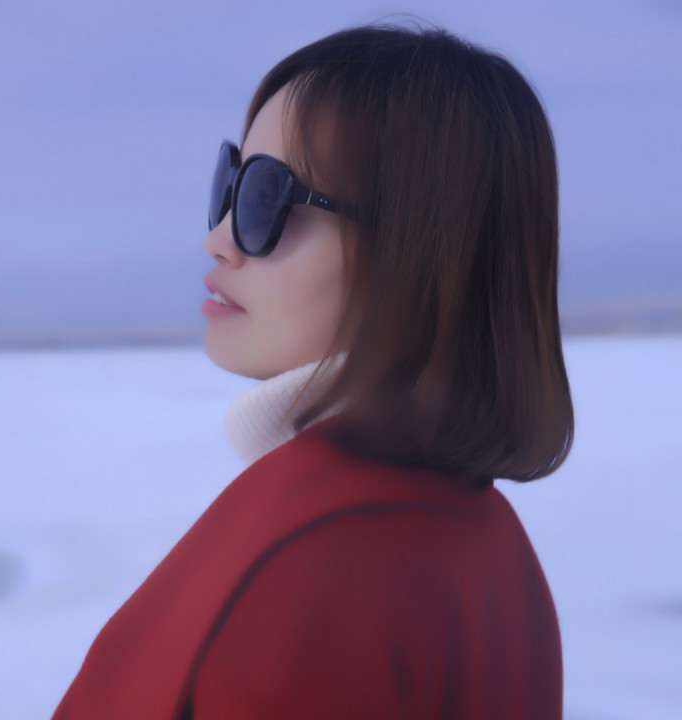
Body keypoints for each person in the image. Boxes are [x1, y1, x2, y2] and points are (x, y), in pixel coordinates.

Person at [51, 21, 574, 720]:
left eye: (266, 197)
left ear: (413, 255)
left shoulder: (309, 566)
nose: (218, 241)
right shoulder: (486, 540)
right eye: (230, 184)